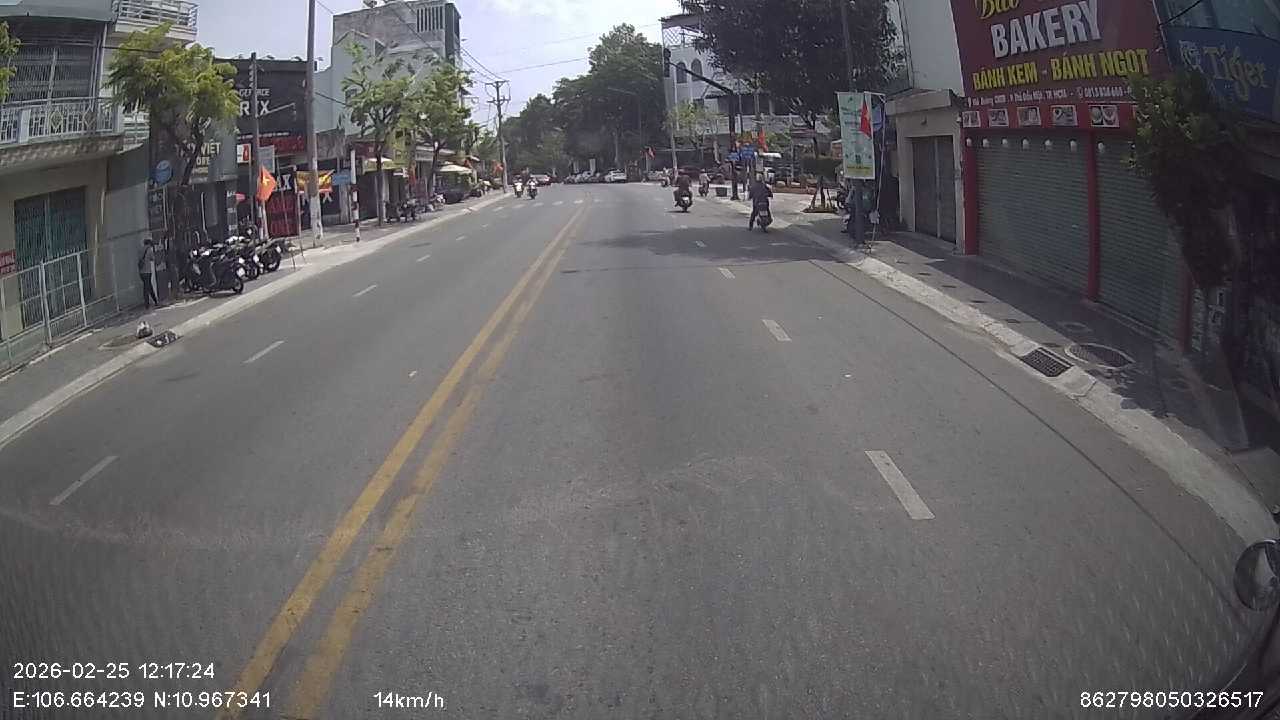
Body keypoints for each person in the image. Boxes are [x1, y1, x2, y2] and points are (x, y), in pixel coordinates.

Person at [138, 238, 159, 308]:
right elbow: (152, 258)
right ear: (149, 244)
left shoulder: (140, 250)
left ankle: (155, 301)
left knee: (148, 286)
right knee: (147, 288)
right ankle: (147, 304)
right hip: (147, 271)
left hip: (141, 272)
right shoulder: (149, 250)